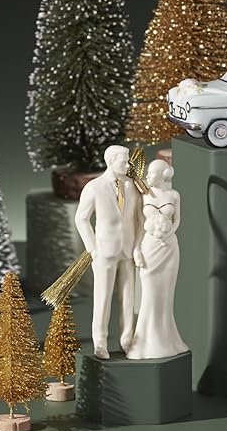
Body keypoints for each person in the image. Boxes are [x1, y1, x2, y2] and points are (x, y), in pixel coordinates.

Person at [75, 145, 142, 359]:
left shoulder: (132, 187)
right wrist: (92, 249)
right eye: (123, 161)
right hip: (104, 251)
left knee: (128, 298)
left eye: (128, 161)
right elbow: (81, 218)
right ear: (111, 162)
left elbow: (138, 219)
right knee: (102, 298)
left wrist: (137, 245)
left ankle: (127, 339)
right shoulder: (94, 187)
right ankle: (100, 342)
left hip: (127, 249)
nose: (128, 165)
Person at [127, 159, 189, 360]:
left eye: (152, 173)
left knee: (166, 295)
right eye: (147, 173)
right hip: (149, 247)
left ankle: (168, 341)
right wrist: (136, 249)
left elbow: (177, 220)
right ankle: (144, 343)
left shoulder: (174, 195)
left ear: (163, 174)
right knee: (150, 294)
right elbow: (138, 225)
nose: (148, 176)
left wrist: (168, 232)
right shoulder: (143, 195)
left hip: (169, 248)